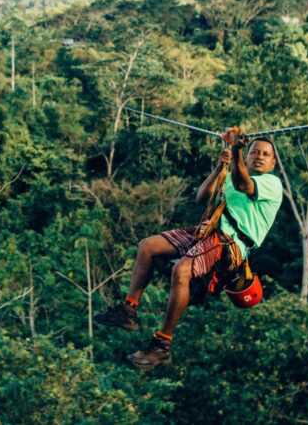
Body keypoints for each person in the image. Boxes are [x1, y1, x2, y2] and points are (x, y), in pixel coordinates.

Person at [94, 126, 283, 370]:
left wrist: (236, 148)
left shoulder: (271, 183)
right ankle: (128, 309)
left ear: (273, 163)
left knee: (181, 271)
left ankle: (162, 344)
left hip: (230, 243)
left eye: (265, 154)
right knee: (148, 246)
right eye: (254, 152)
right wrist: (219, 168)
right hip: (207, 231)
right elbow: (202, 197)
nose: (259, 156)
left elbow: (245, 185)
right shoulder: (233, 175)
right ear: (248, 156)